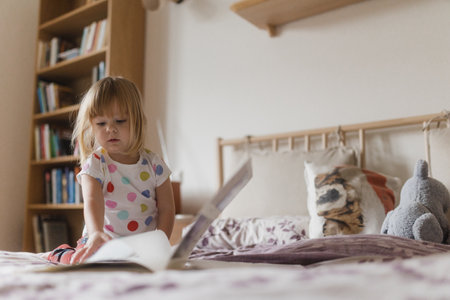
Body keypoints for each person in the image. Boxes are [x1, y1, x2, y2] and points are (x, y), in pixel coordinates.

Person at [47, 76, 175, 264]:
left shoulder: (155, 165)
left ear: (137, 121)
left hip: (140, 246)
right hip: (100, 241)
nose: (110, 129)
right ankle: (60, 252)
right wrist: (95, 233)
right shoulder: (96, 164)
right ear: (91, 125)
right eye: (101, 123)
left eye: (120, 121)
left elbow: (167, 208)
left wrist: (161, 241)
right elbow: (92, 201)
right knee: (79, 262)